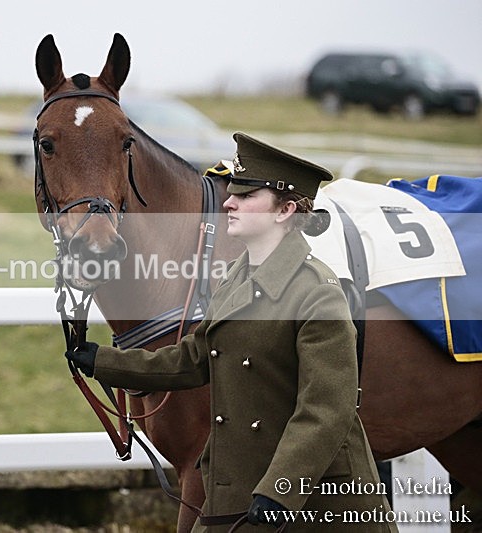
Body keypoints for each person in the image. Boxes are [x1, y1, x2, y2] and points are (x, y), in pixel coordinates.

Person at [66, 132, 398, 532]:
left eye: (246, 196)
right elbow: (192, 359)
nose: (228, 203)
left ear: (285, 210)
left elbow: (327, 410)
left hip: (315, 506)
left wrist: (280, 490)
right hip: (237, 493)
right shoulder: (237, 277)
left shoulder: (317, 294)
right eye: (232, 194)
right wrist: (103, 361)